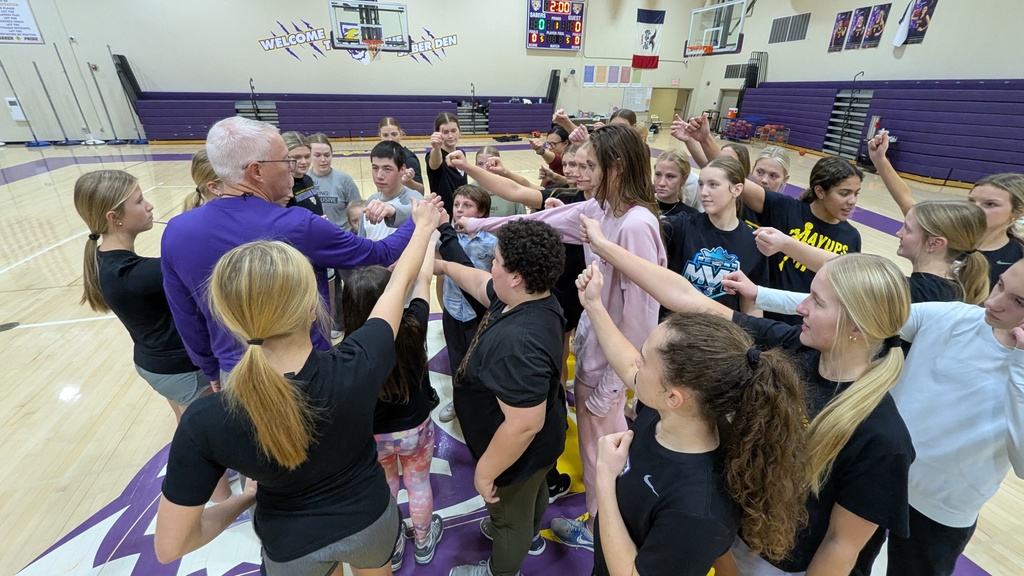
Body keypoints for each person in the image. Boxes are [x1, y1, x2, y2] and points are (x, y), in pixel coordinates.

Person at [579, 219, 915, 576]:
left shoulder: (882, 438)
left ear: (855, 328)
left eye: (816, 302)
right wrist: (604, 248)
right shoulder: (794, 347)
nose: (801, 307)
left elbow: (840, 545)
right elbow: (689, 299)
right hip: (732, 537)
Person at [155, 203, 437, 575]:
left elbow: (172, 545)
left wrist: (245, 500)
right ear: (312, 307)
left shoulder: (206, 420)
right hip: (370, 522)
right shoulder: (360, 362)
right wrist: (424, 226)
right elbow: (399, 285)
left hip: (290, 546)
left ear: (229, 320)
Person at [453, 124, 666, 551]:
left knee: (602, 457)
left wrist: (613, 385)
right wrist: (482, 224)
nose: (578, 172)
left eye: (590, 165)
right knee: (594, 450)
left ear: (617, 168)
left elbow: (643, 317)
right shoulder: (598, 208)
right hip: (594, 349)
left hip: (614, 364)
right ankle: (601, 520)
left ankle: (606, 534)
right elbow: (538, 219)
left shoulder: (637, 225)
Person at [747, 260, 1024, 576]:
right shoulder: (956, 318)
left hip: (942, 510)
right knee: (848, 562)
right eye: (999, 285)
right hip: (876, 476)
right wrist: (759, 294)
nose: (992, 302)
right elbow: (859, 312)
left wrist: (1020, 365)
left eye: (1018, 301)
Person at [161, 116, 438, 387]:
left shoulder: (176, 231)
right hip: (305, 371)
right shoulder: (297, 225)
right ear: (256, 171)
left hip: (235, 374)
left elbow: (187, 315)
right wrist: (418, 218)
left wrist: (210, 369)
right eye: (285, 160)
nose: (293, 167)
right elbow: (380, 253)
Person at [575, 264, 808, 576]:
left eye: (644, 361)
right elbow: (628, 365)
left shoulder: (699, 510)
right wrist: (593, 305)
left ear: (674, 396)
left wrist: (604, 479)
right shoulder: (666, 411)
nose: (636, 366)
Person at [438, 219, 568, 576]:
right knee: (533, 491)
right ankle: (526, 530)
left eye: (495, 260)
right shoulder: (530, 298)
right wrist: (445, 265)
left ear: (515, 277)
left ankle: (501, 568)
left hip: (519, 452)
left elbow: (523, 426)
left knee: (509, 515)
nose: (489, 266)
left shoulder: (518, 344)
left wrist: (486, 471)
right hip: (543, 443)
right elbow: (481, 284)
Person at [74, 170, 212, 422]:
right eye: (138, 201)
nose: (149, 206)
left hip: (156, 363)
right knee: (210, 436)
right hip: (179, 369)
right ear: (114, 217)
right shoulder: (135, 275)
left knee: (189, 427)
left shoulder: (105, 259)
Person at [342, 249, 444, 571]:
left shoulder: (347, 351)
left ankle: (394, 545)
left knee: (386, 491)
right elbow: (424, 279)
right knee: (419, 485)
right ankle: (425, 542)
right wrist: (426, 244)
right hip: (415, 430)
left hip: (374, 437)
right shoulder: (414, 325)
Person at [868, 130, 1024, 288]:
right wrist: (880, 159)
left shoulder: (1018, 255)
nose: (975, 209)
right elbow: (906, 200)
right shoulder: (948, 231)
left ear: (1018, 212)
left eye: (990, 204)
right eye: (971, 201)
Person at [662, 157, 768, 313]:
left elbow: (752, 309)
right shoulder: (682, 226)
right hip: (675, 328)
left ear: (736, 190)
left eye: (713, 185)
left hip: (718, 333)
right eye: (701, 184)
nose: (704, 192)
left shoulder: (753, 242)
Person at [437, 185, 497, 424]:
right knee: (456, 359)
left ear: (481, 212)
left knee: (480, 362)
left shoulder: (492, 242)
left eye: (467, 205)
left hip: (479, 314)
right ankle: (458, 399)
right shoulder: (445, 237)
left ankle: (483, 402)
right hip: (453, 310)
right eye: (457, 204)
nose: (459, 210)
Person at [360, 140, 426, 240]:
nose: (379, 176)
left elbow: (419, 213)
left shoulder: (413, 198)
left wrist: (392, 210)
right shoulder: (371, 201)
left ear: (402, 169)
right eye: (375, 168)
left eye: (387, 169)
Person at [307, 133, 362, 232]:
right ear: (309, 156)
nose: (323, 160)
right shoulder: (303, 180)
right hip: (315, 236)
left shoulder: (345, 180)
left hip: (342, 237)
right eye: (317, 155)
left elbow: (358, 211)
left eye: (327, 155)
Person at [426, 111, 467, 218]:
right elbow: (435, 163)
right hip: (444, 216)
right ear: (438, 134)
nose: (450, 136)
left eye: (454, 131)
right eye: (445, 132)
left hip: (462, 213)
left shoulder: (461, 153)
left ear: (459, 131)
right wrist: (436, 147)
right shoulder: (434, 155)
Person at [473, 146, 530, 217]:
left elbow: (522, 220)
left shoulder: (512, 190)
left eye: (489, 163)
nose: (485, 168)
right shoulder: (470, 191)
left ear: (498, 164)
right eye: (480, 164)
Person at [281, 131, 324, 216]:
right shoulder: (281, 187)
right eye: (297, 157)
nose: (304, 162)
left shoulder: (308, 179)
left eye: (307, 156)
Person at [379, 116, 425, 194]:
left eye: (394, 134)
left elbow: (421, 191)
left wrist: (409, 182)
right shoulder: (380, 159)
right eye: (385, 135)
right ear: (380, 136)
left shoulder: (409, 159)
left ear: (400, 134)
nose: (390, 139)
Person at [652, 149, 695, 217]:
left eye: (670, 176)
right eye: (658, 175)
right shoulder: (640, 205)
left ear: (683, 179)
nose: (661, 183)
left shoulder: (690, 216)